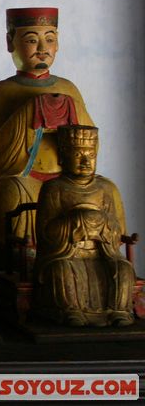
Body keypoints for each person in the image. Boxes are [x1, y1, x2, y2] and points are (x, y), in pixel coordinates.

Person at [0, 8, 94, 270]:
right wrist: (29, 114)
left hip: (64, 176)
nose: (42, 48)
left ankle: (87, 251)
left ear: (58, 42)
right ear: (10, 42)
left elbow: (90, 141)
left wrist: (70, 111)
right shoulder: (3, 91)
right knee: (11, 194)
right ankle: (25, 256)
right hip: (25, 177)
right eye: (31, 40)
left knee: (99, 190)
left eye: (50, 39)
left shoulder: (67, 89)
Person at [34, 125, 134, 327]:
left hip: (100, 252)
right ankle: (71, 311)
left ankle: (118, 311)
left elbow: (116, 230)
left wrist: (103, 223)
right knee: (61, 271)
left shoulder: (105, 188)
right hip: (67, 253)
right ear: (62, 157)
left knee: (122, 269)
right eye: (78, 155)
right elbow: (46, 233)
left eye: (90, 155)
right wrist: (77, 221)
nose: (86, 161)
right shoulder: (54, 189)